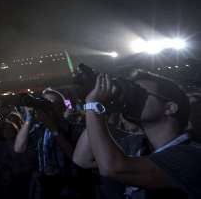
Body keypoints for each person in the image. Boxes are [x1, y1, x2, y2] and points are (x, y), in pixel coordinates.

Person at [76, 70, 201, 198]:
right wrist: (106, 107)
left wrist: (93, 105)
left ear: (169, 108)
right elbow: (83, 159)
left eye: (140, 94)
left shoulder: (191, 156)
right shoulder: (136, 143)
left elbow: (113, 168)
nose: (132, 99)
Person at [13, 88, 75, 198]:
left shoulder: (70, 128)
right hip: (42, 185)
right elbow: (19, 148)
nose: (45, 106)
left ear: (61, 108)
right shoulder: (38, 129)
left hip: (66, 185)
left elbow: (73, 156)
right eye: (43, 102)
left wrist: (54, 130)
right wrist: (28, 120)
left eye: (50, 103)